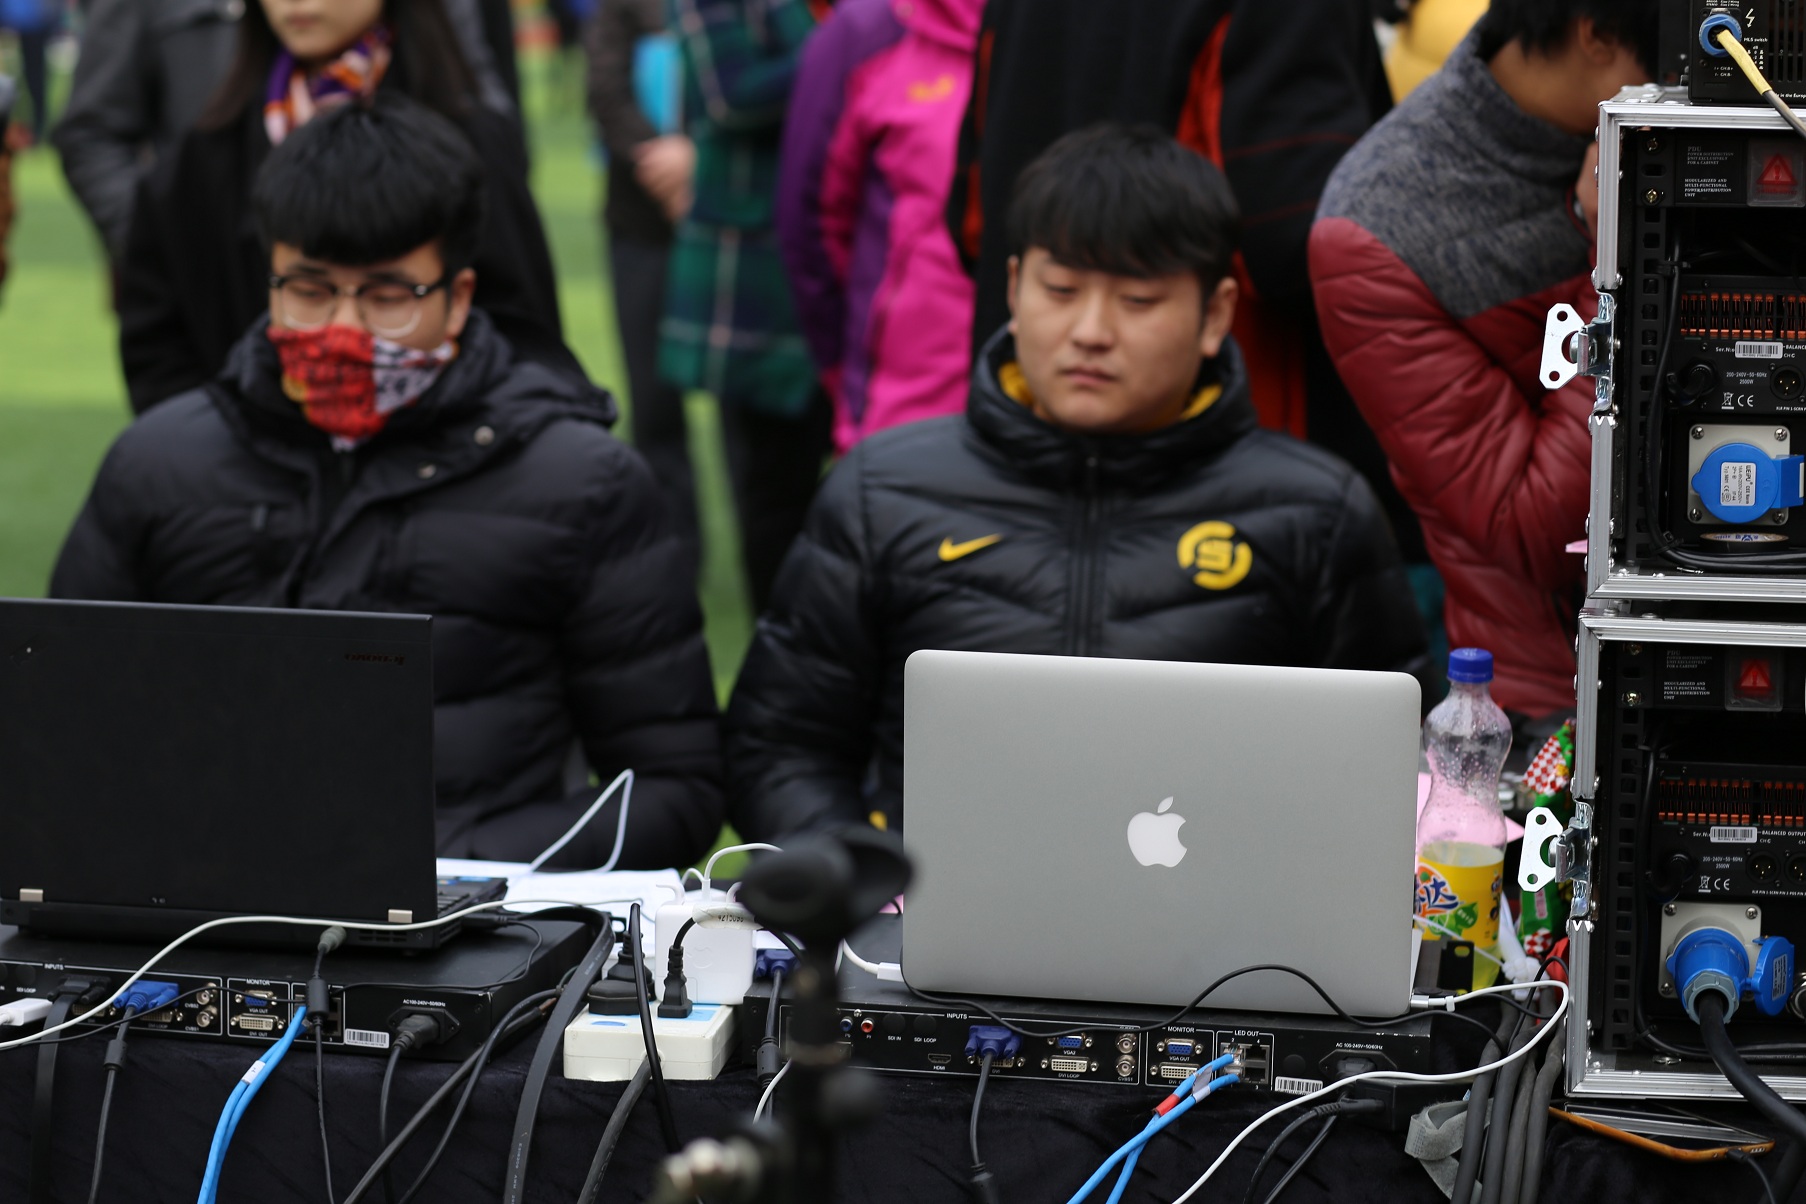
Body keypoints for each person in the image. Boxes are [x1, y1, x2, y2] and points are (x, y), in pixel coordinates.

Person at [51, 96, 724, 869]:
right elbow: (57, 726)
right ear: (269, 282)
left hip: (469, 910)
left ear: (458, 297)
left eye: (386, 296)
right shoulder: (159, 464)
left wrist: (443, 867)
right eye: (309, 290)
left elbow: (676, 786)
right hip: (204, 906)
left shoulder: (582, 484)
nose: (344, 329)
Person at [726, 126, 1429, 843]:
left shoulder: (1313, 513)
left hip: (1226, 914)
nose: (1090, 331)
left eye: (1138, 300)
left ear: (1215, 314)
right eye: (1060, 290)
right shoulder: (883, 491)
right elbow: (780, 748)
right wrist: (861, 880)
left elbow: (1395, 771)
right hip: (918, 911)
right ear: (1013, 289)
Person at [944, 0, 1421, 570]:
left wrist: (1059, 288)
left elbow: (972, 223)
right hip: (1231, 490)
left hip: (1022, 461)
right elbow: (1297, 242)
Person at [1309, 0, 1654, 721]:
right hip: (1562, 702)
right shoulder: (1378, 227)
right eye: (1672, 62)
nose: (1690, 91)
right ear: (1595, 33)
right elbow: (1533, 525)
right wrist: (1619, 257)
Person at [116, 0, 574, 414]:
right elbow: (157, 345)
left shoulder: (473, 141)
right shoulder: (204, 155)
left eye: (388, 294)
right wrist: (225, 445)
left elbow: (524, 335)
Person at [52, 0, 513, 266]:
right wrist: (168, 249)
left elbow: (472, 92)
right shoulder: (214, 140)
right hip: (222, 284)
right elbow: (93, 130)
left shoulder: (454, 120)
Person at [662, 0, 833, 610]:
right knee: (775, 478)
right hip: (759, 271)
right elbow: (731, 98)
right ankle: (778, 634)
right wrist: (848, 44)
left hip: (842, 255)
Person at [776, 0, 985, 451]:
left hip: (1052, 403)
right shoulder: (868, 31)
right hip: (907, 399)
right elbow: (811, 220)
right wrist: (846, 368)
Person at [585, 0, 699, 562]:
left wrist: (702, 159)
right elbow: (605, 90)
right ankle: (673, 551)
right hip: (639, 224)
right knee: (653, 407)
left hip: (739, 228)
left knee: (755, 420)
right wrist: (666, 168)